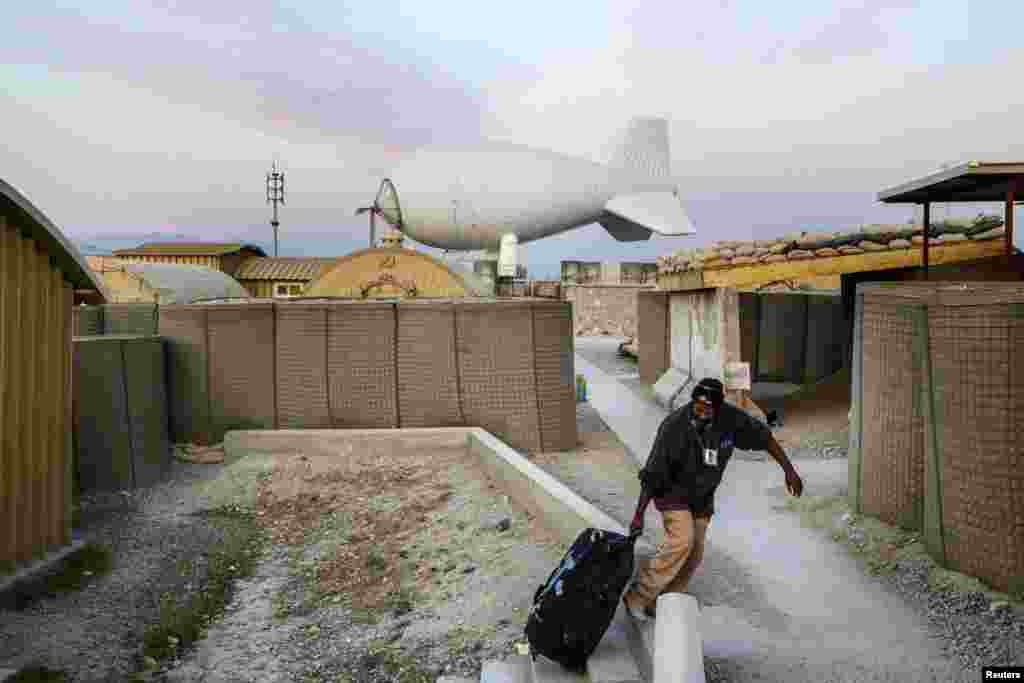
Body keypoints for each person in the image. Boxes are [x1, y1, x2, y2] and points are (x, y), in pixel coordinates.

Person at [622, 377, 804, 621]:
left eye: (709, 408)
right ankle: (639, 596)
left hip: (702, 498)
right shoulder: (673, 427)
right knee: (682, 539)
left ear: (718, 407)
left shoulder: (731, 419)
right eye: (698, 406)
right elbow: (652, 475)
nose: (703, 411)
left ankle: (665, 602)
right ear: (692, 401)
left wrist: (789, 470)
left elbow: (764, 438)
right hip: (671, 492)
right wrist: (638, 517)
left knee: (694, 554)